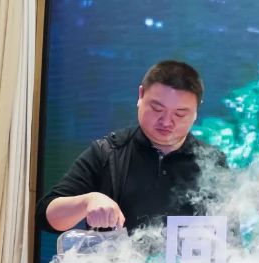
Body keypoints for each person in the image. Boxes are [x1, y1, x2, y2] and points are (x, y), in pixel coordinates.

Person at [37, 60, 228, 233]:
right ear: (140, 95)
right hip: (113, 261)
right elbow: (45, 216)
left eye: (180, 114)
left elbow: (230, 239)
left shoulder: (212, 162)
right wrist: (86, 201)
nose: (166, 122)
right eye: (157, 108)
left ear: (196, 111)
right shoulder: (109, 152)